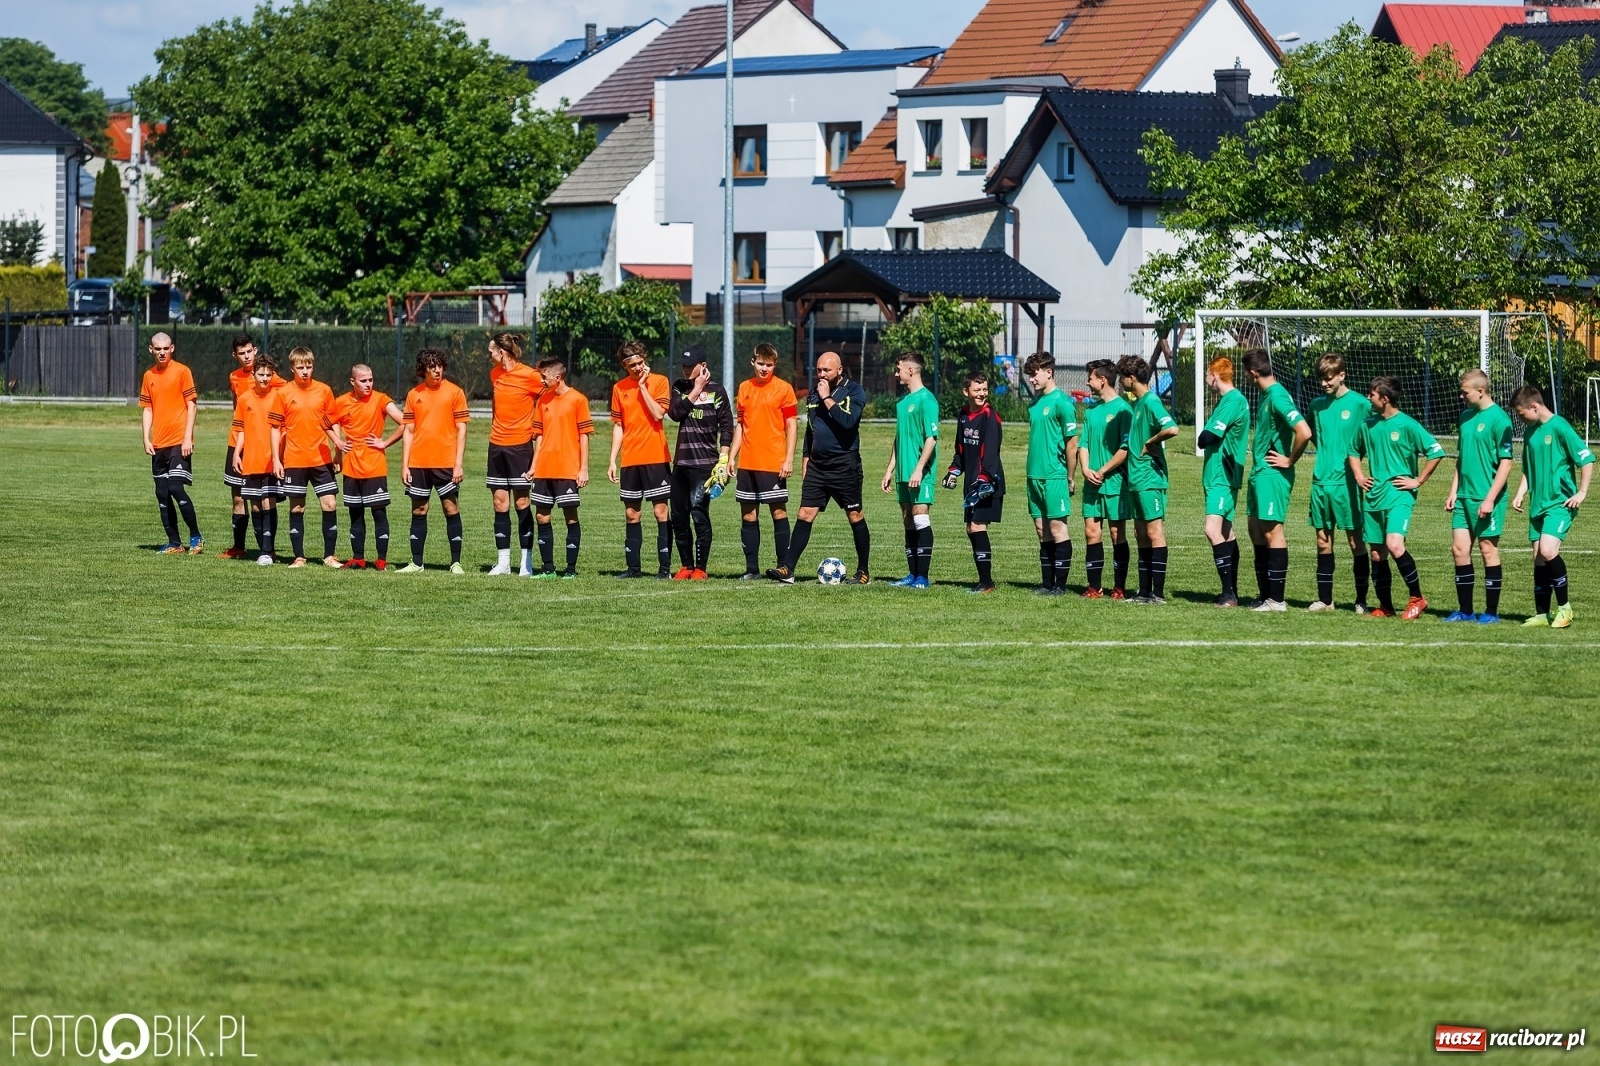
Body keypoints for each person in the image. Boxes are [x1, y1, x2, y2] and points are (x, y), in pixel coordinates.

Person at [1348, 376, 1446, 620]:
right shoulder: (1367, 424)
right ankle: (1386, 606)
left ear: (1384, 399)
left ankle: (1417, 598)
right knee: (1376, 553)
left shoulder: (1407, 425)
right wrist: (1359, 476)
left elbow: (1436, 451)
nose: (1368, 398)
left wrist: (1418, 480)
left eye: (1372, 394)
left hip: (1399, 494)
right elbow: (1353, 451)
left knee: (1394, 544)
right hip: (1374, 496)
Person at [774, 350, 871, 585]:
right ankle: (788, 569)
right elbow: (811, 430)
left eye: (827, 370)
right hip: (818, 467)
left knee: (854, 515)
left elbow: (848, 422)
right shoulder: (812, 394)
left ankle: (863, 571)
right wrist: (806, 458)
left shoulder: (854, 391)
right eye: (818, 370)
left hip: (845, 465)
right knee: (804, 514)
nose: (822, 374)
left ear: (839, 370)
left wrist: (827, 398)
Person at [1510, 385, 1594, 628]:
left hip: (1560, 502)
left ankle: (1565, 609)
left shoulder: (1560, 427)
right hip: (1538, 503)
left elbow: (1586, 459)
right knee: (1538, 557)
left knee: (1548, 551)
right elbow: (1529, 468)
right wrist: (1520, 493)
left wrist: (1582, 492)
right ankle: (1541, 614)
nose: (1520, 420)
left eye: (1521, 414)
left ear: (1535, 406)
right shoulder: (1530, 432)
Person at [1243, 351, 1312, 611]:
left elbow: (1304, 431)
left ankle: (1277, 600)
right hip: (1259, 472)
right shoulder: (1266, 395)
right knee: (1256, 530)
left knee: (1273, 532)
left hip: (1272, 474)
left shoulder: (1278, 396)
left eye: (1245, 374)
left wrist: (1290, 460)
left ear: (1252, 373)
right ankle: (1265, 596)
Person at [1443, 370, 1514, 623]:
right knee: (1459, 549)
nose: (1461, 397)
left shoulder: (1500, 419)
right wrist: (1453, 491)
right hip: (1464, 496)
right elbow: (1462, 459)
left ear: (1480, 391)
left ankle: (1491, 612)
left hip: (1487, 497)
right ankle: (1465, 611)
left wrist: (1490, 499)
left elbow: (1506, 463)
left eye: (1465, 392)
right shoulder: (1465, 417)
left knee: (1487, 550)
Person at [1305, 353, 1372, 613]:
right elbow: (1312, 434)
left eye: (1329, 378)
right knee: (1323, 541)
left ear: (1342, 375)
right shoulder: (1316, 405)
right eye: (1321, 379)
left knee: (1356, 542)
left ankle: (1361, 601)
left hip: (1347, 484)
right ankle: (1325, 600)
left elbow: (1372, 434)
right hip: (1321, 482)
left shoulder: (1360, 404)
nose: (1324, 383)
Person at [398, 349, 470, 574]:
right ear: (423, 370)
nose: (437, 370)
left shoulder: (455, 392)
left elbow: (462, 429)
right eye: (431, 367)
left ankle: (455, 562)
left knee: (451, 508)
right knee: (419, 510)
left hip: (445, 462)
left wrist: (458, 464)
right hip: (418, 463)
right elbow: (409, 431)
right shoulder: (413, 394)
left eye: (439, 366)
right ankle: (416, 563)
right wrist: (405, 465)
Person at [327, 364, 405, 570]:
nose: (368, 384)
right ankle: (358, 559)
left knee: (379, 513)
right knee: (355, 514)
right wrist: (338, 442)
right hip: (351, 467)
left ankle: (381, 560)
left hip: (374, 467)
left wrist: (385, 443)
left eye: (370, 380)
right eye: (363, 381)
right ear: (352, 381)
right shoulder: (341, 402)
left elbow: (405, 423)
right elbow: (325, 423)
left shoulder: (381, 399)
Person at [730, 343, 799, 578]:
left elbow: (791, 426)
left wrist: (788, 459)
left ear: (775, 365)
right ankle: (752, 570)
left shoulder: (784, 389)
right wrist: (732, 457)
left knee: (778, 513)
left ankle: (783, 567)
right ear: (753, 362)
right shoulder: (744, 388)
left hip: (773, 463)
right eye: (760, 363)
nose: (764, 368)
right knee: (748, 515)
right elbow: (741, 425)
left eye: (769, 365)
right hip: (747, 464)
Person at [607, 340, 674, 579]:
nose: (637, 367)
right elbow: (619, 426)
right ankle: (633, 569)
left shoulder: (660, 381)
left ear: (645, 359)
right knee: (631, 514)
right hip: (630, 461)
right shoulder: (619, 388)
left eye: (640, 362)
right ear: (624, 366)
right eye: (632, 365)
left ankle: (664, 569)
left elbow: (658, 414)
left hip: (656, 458)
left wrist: (643, 387)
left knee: (660, 512)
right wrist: (613, 460)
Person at [1117, 355, 1179, 604]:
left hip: (1150, 478)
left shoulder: (1151, 401)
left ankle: (1158, 593)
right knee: (1140, 532)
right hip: (1137, 478)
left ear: (1132, 378)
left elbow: (1172, 428)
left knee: (1154, 532)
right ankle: (1143, 592)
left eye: (1122, 377)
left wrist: (1151, 442)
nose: (1120, 381)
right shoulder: (1138, 403)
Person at [667, 347, 733, 580]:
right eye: (683, 365)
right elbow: (675, 413)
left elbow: (727, 426)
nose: (685, 369)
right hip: (681, 463)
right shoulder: (679, 387)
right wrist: (695, 390)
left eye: (690, 365)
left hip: (705, 464)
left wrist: (724, 458)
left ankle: (701, 568)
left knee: (698, 513)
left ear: (702, 365)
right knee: (678, 516)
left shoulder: (718, 391)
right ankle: (686, 565)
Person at [137, 332, 203, 554]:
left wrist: (187, 437)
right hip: (159, 444)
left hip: (178, 441)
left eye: (166, 348)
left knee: (175, 487)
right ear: (151, 350)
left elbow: (192, 405)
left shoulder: (182, 371)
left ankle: (196, 536)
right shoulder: (148, 375)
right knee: (162, 494)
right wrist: (146, 438)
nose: (162, 352)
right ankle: (175, 543)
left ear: (172, 348)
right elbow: (148, 409)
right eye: (158, 349)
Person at [277, 347, 343, 568]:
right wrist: (277, 460)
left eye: (309, 367)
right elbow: (276, 429)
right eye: (300, 367)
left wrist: (338, 452)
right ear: (292, 368)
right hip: (295, 460)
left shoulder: (324, 390)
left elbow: (334, 423)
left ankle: (329, 556)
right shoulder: (283, 393)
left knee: (330, 504)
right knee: (297, 508)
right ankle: (299, 557)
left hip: (321, 459)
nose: (305, 371)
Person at [219, 333, 283, 558]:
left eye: (249, 351)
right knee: (238, 496)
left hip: (263, 444)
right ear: (234, 355)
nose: (246, 356)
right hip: (238, 441)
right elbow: (238, 410)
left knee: (265, 498)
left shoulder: (273, 379)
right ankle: (238, 546)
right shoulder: (234, 377)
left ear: (255, 350)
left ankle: (267, 548)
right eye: (241, 353)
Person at [527, 357, 593, 578]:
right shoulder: (542, 400)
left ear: (557, 377)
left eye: (544, 377)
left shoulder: (578, 400)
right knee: (541, 517)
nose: (542, 381)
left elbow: (584, 436)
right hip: (544, 470)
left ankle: (571, 570)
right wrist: (534, 466)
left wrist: (583, 468)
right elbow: (539, 436)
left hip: (567, 469)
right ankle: (548, 569)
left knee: (570, 517)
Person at [941, 370, 1004, 593]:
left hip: (987, 482)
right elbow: (960, 449)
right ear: (965, 391)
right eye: (977, 390)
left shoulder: (990, 416)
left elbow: (991, 452)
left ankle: (987, 583)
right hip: (972, 484)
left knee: (977, 526)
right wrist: (953, 471)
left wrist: (984, 478)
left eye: (985, 389)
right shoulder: (963, 414)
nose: (982, 394)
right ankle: (983, 581)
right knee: (971, 528)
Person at [881, 351, 940, 588]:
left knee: (920, 517)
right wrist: (890, 470)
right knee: (908, 520)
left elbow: (931, 438)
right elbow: (899, 439)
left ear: (911, 370)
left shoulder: (927, 400)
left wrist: (918, 469)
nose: (896, 374)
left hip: (920, 473)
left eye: (899, 370)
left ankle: (922, 577)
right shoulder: (903, 403)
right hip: (903, 473)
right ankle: (912, 574)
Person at [485, 332, 542, 576]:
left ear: (502, 352)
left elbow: (547, 401)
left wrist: (537, 429)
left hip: (521, 447)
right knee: (500, 503)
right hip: (496, 445)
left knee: (521, 503)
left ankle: (526, 562)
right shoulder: (495, 374)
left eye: (491, 351)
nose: (489, 355)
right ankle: (503, 563)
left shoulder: (531, 375)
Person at [1022, 352, 1078, 595]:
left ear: (1049, 372)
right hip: (1033, 475)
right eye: (1029, 375)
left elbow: (1072, 444)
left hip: (1054, 475)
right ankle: (1047, 584)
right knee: (1041, 531)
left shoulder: (1063, 403)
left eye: (1034, 374)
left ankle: (1060, 586)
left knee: (1057, 529)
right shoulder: (1034, 404)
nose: (1031, 379)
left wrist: (1070, 477)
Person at [1198, 356, 1249, 606]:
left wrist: (1203, 435)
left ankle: (1229, 593)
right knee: (1226, 532)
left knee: (1212, 530)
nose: (1206, 379)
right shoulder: (1229, 400)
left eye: (1207, 374)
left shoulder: (1232, 400)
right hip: (1220, 475)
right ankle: (1231, 591)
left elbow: (1207, 437)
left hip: (1222, 475)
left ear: (1214, 375)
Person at [1078, 360, 1131, 599]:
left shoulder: (1123, 410)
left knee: (1116, 533)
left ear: (1102, 380)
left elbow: (1125, 449)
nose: (1087, 382)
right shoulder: (1091, 410)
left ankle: (1119, 587)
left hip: (1115, 483)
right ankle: (1094, 587)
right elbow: (1084, 444)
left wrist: (1103, 470)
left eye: (1090, 378)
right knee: (1091, 532)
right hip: (1092, 482)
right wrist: (1085, 469)